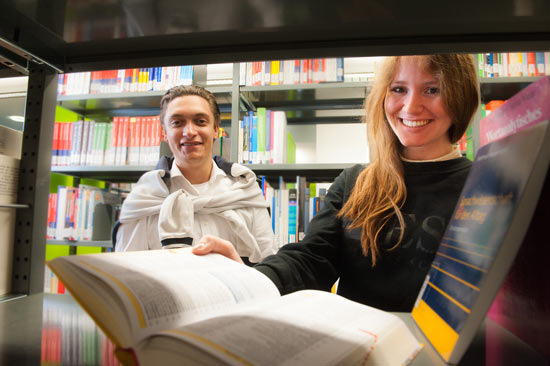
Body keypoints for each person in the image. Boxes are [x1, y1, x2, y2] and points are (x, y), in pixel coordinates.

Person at [193, 54, 480, 311]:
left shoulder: (484, 184)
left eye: (432, 89)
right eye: (398, 89)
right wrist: (249, 278)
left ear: (459, 95)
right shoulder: (355, 182)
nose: (411, 105)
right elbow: (311, 260)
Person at [115, 85, 276, 263]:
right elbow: (129, 271)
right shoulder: (145, 198)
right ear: (164, 133)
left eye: (200, 121)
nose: (189, 132)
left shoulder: (245, 189)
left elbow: (266, 265)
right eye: (177, 122)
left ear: (215, 129)